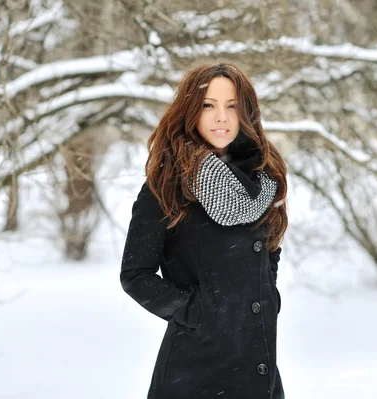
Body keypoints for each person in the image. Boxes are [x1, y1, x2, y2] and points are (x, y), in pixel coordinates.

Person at [120, 62, 288, 399]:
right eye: (209, 105)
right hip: (195, 368)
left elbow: (270, 249)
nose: (221, 117)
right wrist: (199, 311)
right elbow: (135, 275)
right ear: (191, 111)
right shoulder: (166, 185)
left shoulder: (263, 178)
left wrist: (266, 296)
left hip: (258, 361)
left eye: (232, 106)